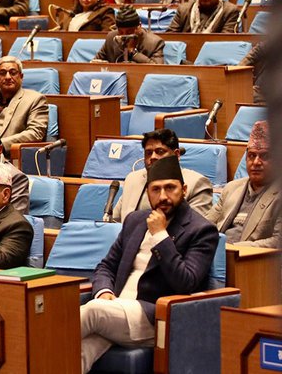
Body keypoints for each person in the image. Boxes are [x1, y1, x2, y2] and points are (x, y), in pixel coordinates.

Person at [80, 155, 218, 373]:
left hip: (157, 317)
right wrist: (104, 292)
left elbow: (186, 282)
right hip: (114, 308)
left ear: (184, 190)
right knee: (77, 350)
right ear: (147, 193)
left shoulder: (201, 230)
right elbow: (106, 266)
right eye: (156, 190)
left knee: (91, 313)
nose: (163, 196)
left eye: (170, 188)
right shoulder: (135, 220)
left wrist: (161, 236)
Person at [112, 128, 213, 222]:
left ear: (177, 155)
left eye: (160, 152)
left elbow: (196, 230)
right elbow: (115, 220)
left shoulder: (197, 183)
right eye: (148, 153)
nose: (153, 157)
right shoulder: (132, 179)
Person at [207, 121, 280, 247]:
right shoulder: (232, 188)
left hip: (252, 262)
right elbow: (206, 225)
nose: (256, 162)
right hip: (217, 256)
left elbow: (278, 241)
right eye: (252, 155)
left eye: (265, 156)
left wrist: (233, 249)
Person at [0, 56, 49, 151]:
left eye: (13, 73)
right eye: (2, 73)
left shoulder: (35, 99)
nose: (7, 77)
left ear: (21, 77)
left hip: (9, 156)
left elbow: (35, 133)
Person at [93, 5, 165, 64]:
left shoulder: (155, 43)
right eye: (121, 32)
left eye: (129, 32)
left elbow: (157, 69)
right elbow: (95, 62)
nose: (124, 36)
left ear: (139, 26)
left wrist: (133, 52)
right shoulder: (111, 37)